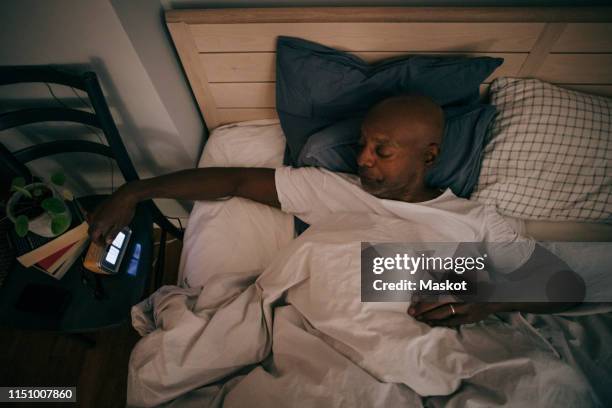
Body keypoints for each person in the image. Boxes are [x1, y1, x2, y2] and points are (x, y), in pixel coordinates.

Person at [88, 95, 583, 327]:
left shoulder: (477, 220)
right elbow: (236, 179)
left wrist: (491, 300)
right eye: (363, 144)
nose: (362, 159)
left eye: (381, 150)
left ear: (428, 155)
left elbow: (567, 286)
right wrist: (134, 191)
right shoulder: (333, 189)